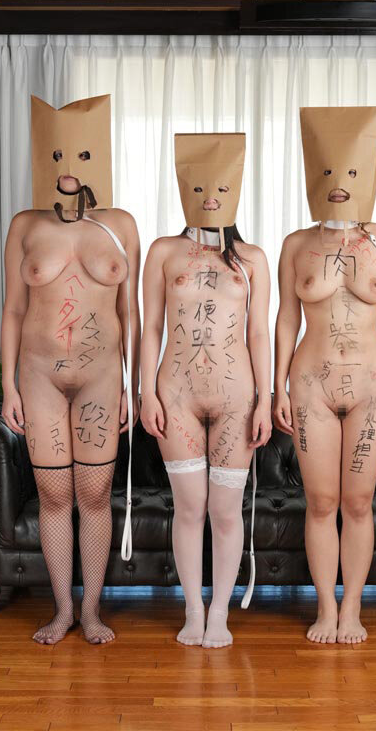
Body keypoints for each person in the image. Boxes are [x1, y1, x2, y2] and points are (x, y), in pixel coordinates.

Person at [1, 95, 140, 645]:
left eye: (79, 154)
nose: (67, 166)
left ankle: (92, 611)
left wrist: (132, 385)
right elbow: (13, 310)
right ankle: (63, 610)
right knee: (54, 495)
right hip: (39, 376)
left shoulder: (120, 225)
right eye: (56, 153)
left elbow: (131, 313)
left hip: (101, 378)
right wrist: (7, 384)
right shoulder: (24, 225)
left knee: (95, 493)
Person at [273, 107, 376, 645]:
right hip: (310, 384)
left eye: (351, 172)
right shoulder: (296, 243)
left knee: (358, 502)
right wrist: (277, 387)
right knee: (321, 502)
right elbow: (285, 319)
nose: (339, 183)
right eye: (329, 171)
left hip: (372, 387)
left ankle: (352, 607)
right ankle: (325, 608)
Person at [140, 132, 272, 648]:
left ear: (235, 191)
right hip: (176, 393)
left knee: (224, 510)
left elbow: (258, 334)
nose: (211, 197)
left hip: (237, 397)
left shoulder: (252, 259)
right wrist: (146, 393)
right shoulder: (163, 251)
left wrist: (266, 400)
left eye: (221, 188)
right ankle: (193, 610)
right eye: (200, 187)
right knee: (190, 505)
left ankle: (220, 613)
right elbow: (151, 328)